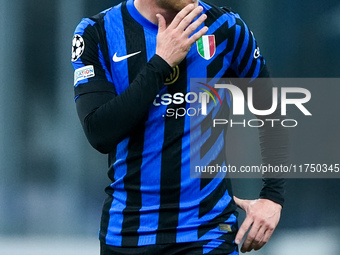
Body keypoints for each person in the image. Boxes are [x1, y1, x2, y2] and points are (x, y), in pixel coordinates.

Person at [71, 0, 288, 254]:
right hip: (127, 236)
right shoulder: (97, 32)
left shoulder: (225, 28)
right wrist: (161, 63)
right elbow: (99, 133)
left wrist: (272, 197)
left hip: (208, 234)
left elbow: (273, 109)